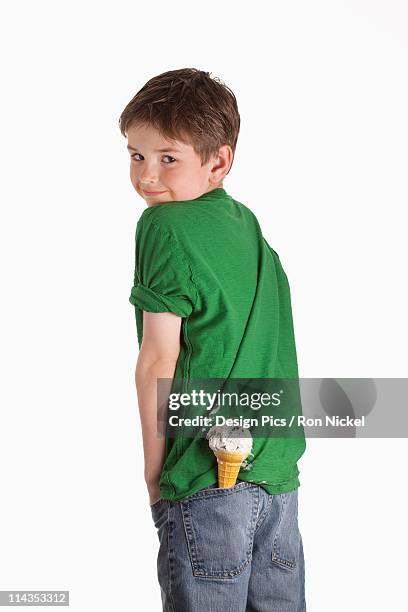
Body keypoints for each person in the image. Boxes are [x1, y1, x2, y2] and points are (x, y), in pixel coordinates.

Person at [119, 68, 307, 611]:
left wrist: (155, 471)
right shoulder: (245, 224)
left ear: (218, 161)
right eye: (136, 155)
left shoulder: (164, 227)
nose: (147, 176)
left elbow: (158, 356)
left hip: (206, 474)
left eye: (167, 158)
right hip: (277, 483)